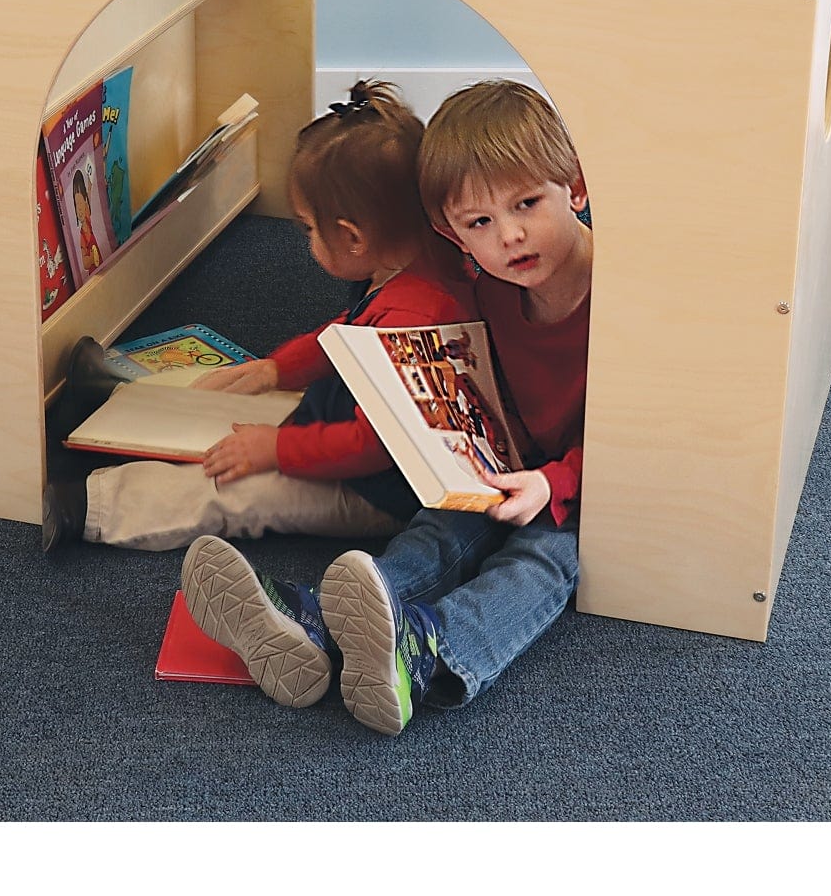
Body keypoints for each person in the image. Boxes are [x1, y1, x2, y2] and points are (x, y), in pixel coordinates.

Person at [181, 79, 591, 734]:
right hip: (515, 462)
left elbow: (641, 438)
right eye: (480, 223)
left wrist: (554, 482)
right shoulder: (488, 283)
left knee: (544, 558)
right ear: (452, 235)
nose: (511, 236)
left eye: (527, 204)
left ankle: (431, 648)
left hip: (591, 484)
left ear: (576, 187)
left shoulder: (617, 294)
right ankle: (321, 622)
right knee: (445, 524)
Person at [42, 81, 468, 560]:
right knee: (236, 395)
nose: (306, 239)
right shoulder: (408, 264)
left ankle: (90, 506)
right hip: (353, 418)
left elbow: (371, 446)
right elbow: (348, 336)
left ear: (352, 237)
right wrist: (275, 370)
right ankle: (118, 404)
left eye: (309, 228)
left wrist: (276, 449)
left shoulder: (416, 317)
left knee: (234, 488)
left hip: (375, 487)